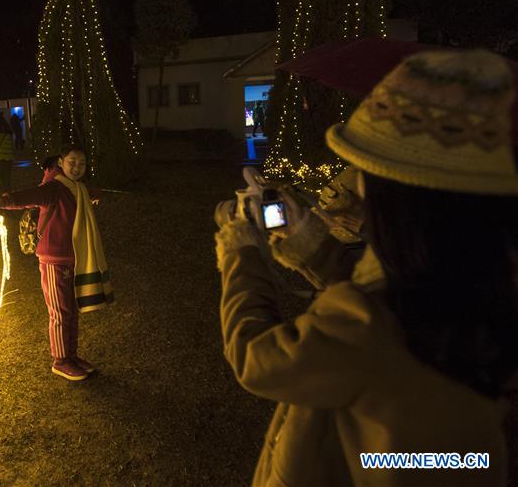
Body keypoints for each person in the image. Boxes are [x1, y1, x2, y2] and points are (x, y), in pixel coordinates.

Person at [214, 49, 518, 486]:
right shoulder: (478, 289)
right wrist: (312, 247)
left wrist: (239, 250)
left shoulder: (368, 328)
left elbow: (257, 358)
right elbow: (396, 298)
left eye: (366, 171)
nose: (355, 182)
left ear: (405, 200)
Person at [0, 144, 112, 381]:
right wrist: (3, 201)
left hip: (74, 257)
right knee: (60, 312)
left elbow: (89, 192)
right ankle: (60, 361)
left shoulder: (77, 187)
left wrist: (94, 194)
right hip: (54, 259)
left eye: (81, 164)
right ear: (61, 162)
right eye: (72, 162)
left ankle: (71, 356)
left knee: (71, 310)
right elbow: (29, 196)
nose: (76, 167)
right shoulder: (54, 187)